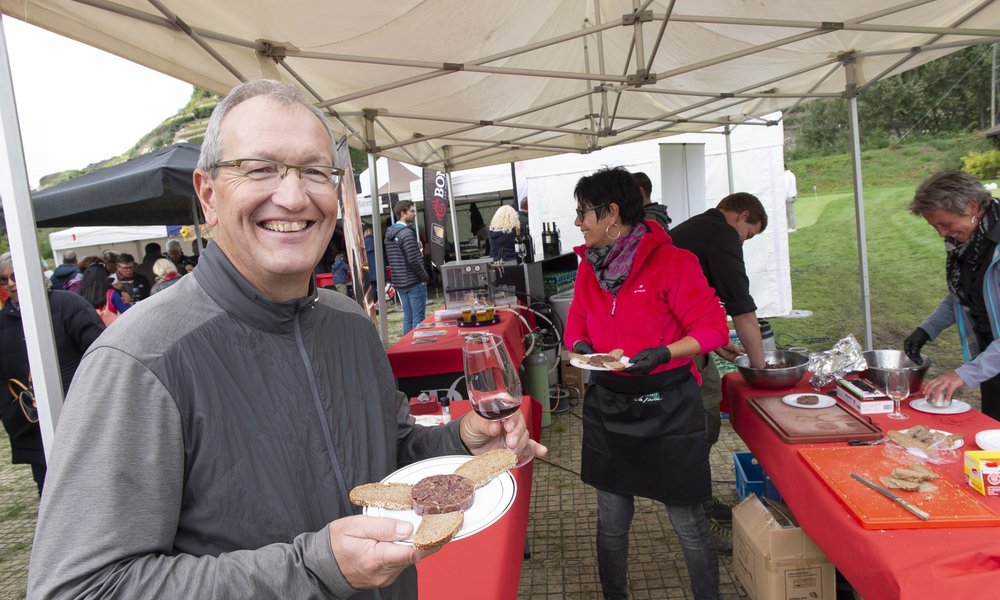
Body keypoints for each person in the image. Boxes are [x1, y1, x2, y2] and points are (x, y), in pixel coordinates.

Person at [28, 78, 544, 600]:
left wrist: (456, 443)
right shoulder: (140, 360)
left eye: (315, 172)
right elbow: (78, 588)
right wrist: (314, 568)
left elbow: (383, 459)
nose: (294, 196)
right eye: (260, 169)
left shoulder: (349, 324)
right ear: (207, 195)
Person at [564, 166, 728, 600]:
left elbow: (713, 329)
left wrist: (664, 353)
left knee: (687, 522)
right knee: (611, 521)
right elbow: (577, 320)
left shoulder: (673, 261)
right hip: (611, 406)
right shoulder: (589, 266)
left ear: (612, 213)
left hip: (668, 405)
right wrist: (582, 343)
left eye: (584, 213)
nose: (578, 222)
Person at [669, 191, 768, 548]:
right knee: (699, 422)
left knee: (704, 418)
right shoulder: (722, 234)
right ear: (742, 215)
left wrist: (714, 341)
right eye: (749, 234)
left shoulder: (699, 227)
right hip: (674, 348)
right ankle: (699, 520)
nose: (745, 241)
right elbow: (742, 309)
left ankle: (702, 501)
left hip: (681, 339)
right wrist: (761, 370)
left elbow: (696, 296)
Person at [0, 253, 104, 495]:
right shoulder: (2, 323)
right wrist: (11, 408)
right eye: (4, 279)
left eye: (15, 276)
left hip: (80, 422)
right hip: (35, 433)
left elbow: (100, 353)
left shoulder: (67, 305)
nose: (11, 284)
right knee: (52, 498)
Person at [904, 170, 1000, 419]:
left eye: (945, 224)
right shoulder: (967, 245)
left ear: (972, 207)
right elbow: (965, 293)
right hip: (991, 359)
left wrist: (962, 375)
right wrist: (926, 329)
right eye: (935, 226)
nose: (941, 234)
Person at [385, 199, 429, 334]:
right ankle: (417, 347)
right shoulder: (406, 233)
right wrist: (424, 276)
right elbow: (413, 260)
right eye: (412, 211)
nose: (414, 214)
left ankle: (407, 347)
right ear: (402, 213)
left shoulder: (389, 235)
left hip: (400, 281)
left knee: (408, 317)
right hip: (413, 280)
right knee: (418, 318)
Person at [364, 225, 380, 304]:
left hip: (368, 268)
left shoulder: (363, 242)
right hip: (376, 267)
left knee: (372, 287)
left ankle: (373, 302)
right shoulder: (374, 241)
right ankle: (378, 302)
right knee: (379, 287)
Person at [784, 164, 798, 232]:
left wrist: (784, 197)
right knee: (789, 212)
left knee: (789, 213)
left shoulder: (786, 175)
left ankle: (792, 227)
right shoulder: (791, 174)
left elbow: (786, 187)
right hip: (792, 195)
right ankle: (790, 227)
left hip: (788, 196)